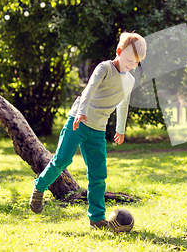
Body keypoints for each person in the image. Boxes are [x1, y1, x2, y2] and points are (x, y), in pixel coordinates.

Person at [29, 32, 146, 228]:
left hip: (98, 129)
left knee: (98, 174)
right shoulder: (105, 68)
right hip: (78, 120)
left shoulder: (130, 80)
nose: (131, 65)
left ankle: (96, 218)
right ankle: (39, 186)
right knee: (62, 160)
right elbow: (89, 89)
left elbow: (123, 104)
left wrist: (120, 129)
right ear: (118, 52)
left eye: (136, 62)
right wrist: (81, 112)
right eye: (128, 60)